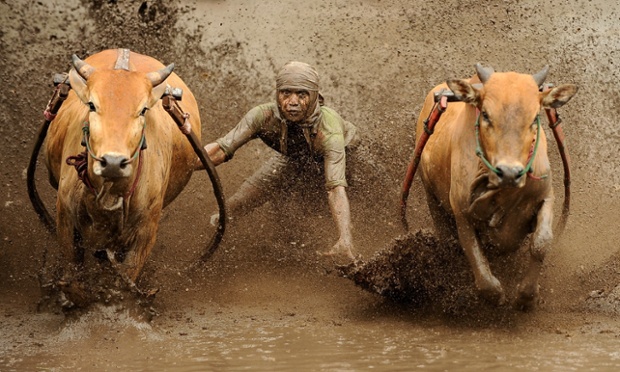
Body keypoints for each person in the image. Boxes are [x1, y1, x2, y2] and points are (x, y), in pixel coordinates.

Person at [200, 61, 359, 260]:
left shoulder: (329, 129)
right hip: (294, 160)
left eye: (301, 95)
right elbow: (220, 150)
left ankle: (348, 246)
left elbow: (335, 189)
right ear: (277, 94)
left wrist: (345, 238)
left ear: (315, 97)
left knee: (377, 196)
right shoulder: (263, 116)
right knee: (233, 207)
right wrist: (185, 164)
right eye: (286, 93)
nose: (292, 102)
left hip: (350, 162)